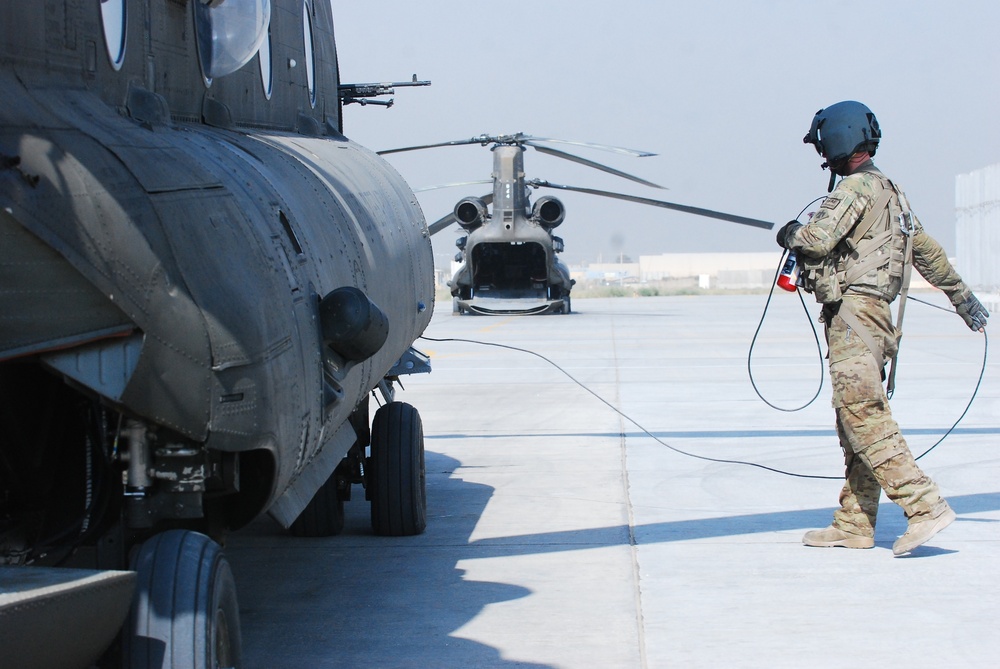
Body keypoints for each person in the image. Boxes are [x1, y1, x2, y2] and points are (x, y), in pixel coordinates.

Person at [775, 100, 989, 556]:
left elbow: (815, 240)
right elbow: (925, 249)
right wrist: (960, 296)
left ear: (837, 141)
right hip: (874, 319)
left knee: (863, 413)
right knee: (851, 417)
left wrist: (790, 232)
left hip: (855, 314)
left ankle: (924, 505)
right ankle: (855, 520)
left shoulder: (853, 190)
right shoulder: (891, 191)